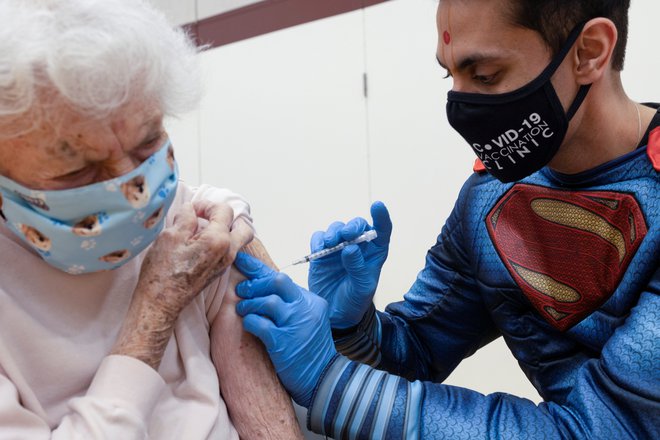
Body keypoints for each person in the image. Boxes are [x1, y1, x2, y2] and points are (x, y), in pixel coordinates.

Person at [233, 0, 659, 438]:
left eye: (485, 75)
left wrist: (330, 382)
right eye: (449, 76)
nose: (460, 106)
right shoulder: (491, 197)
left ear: (589, 51)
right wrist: (352, 326)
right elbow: (416, 350)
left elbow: (608, 430)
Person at [0, 0, 303, 438]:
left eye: (147, 146)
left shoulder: (188, 226)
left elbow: (268, 423)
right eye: (78, 173)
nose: (132, 190)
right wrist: (156, 306)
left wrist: (234, 217)